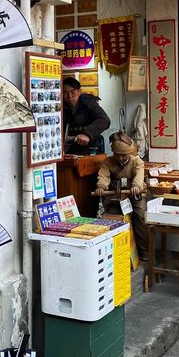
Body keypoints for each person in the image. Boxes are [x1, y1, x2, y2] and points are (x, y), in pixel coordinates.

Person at [94, 131, 147, 260]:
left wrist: (136, 186)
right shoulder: (108, 162)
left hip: (135, 194)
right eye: (118, 155)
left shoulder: (137, 161)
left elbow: (139, 176)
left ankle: (144, 251)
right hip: (115, 195)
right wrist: (101, 187)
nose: (121, 158)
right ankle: (115, 253)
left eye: (124, 155)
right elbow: (103, 175)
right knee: (111, 216)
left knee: (140, 215)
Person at [63, 77, 110, 154]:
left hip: (91, 147)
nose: (69, 96)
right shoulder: (59, 105)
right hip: (69, 148)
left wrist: (87, 134)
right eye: (65, 92)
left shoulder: (88, 102)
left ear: (79, 92)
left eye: (72, 92)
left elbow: (104, 120)